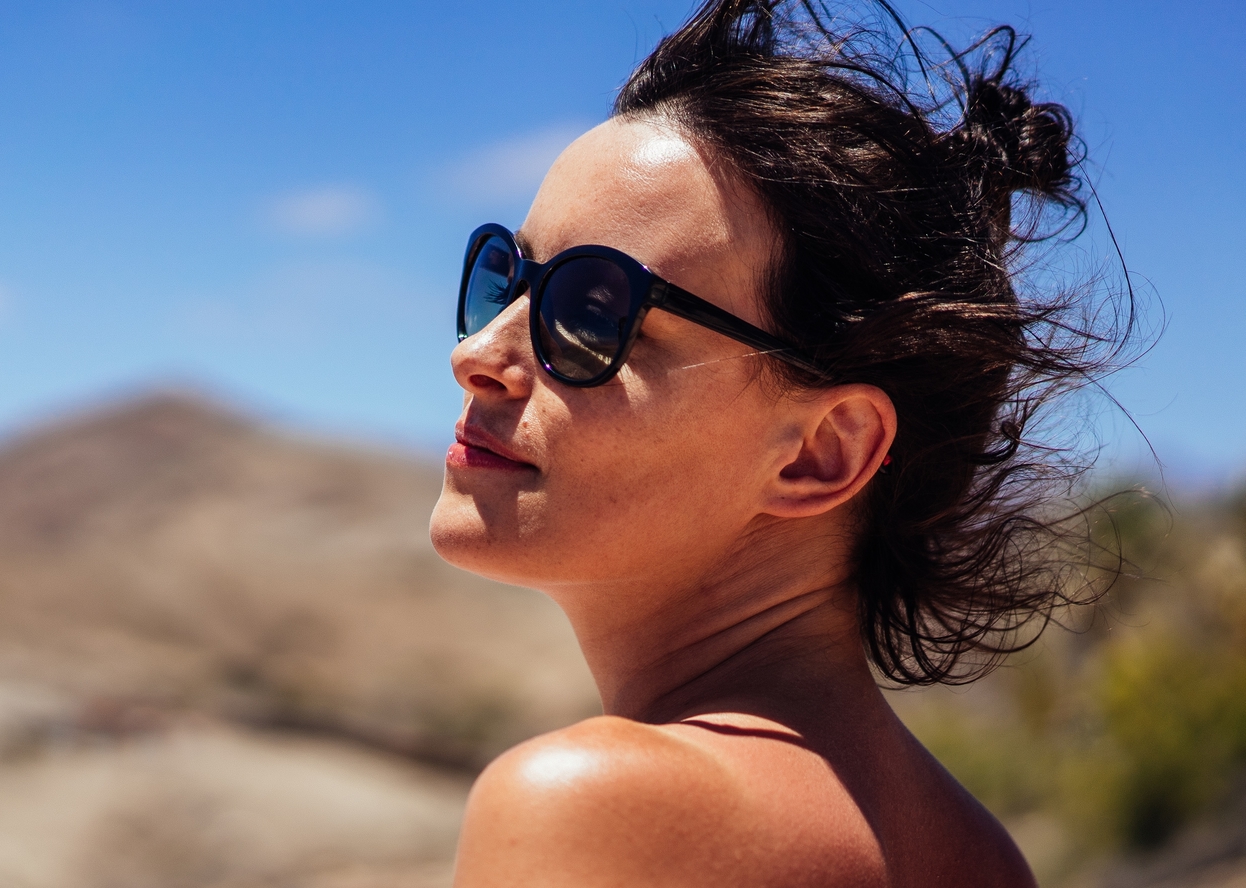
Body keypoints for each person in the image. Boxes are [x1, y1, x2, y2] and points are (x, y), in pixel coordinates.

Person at [430, 0, 1125, 885]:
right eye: (505, 278)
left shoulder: (596, 810)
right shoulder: (983, 859)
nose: (476, 354)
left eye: (594, 311)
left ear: (821, 451)